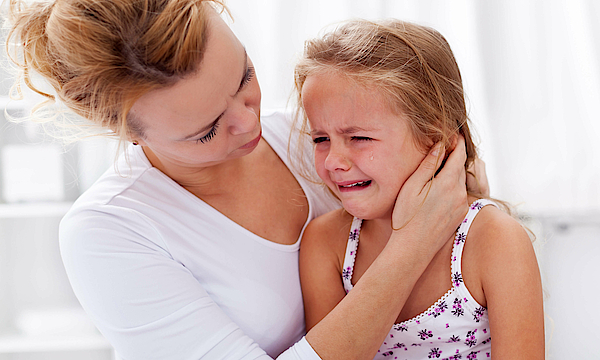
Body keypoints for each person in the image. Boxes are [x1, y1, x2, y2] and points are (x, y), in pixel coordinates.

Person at [6, 1, 482, 359]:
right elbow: (431, 225)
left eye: (244, 78)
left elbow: (465, 215)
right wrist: (415, 242)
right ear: (123, 131)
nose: (248, 122)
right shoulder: (110, 233)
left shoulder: (316, 141)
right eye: (207, 130)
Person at [295, 19, 544, 360]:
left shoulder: (494, 240)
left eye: (359, 137)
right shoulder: (326, 244)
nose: (334, 160)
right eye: (321, 138)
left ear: (434, 139)